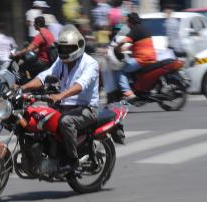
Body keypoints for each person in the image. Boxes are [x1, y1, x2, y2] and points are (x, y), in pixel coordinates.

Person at [21, 25, 99, 172]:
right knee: (38, 116)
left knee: (66, 121)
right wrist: (22, 88)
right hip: (64, 106)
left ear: (79, 47)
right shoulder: (61, 61)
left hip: (87, 108)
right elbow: (45, 76)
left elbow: (80, 85)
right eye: (62, 49)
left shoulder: (90, 64)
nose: (64, 52)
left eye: (68, 49)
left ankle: (72, 160)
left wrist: (60, 96)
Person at [114, 12, 157, 100]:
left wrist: (117, 47)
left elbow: (124, 41)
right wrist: (124, 50)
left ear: (131, 22)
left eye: (127, 22)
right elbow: (138, 44)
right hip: (152, 58)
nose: (127, 24)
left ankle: (128, 92)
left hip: (142, 59)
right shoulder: (144, 29)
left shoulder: (135, 30)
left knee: (120, 69)